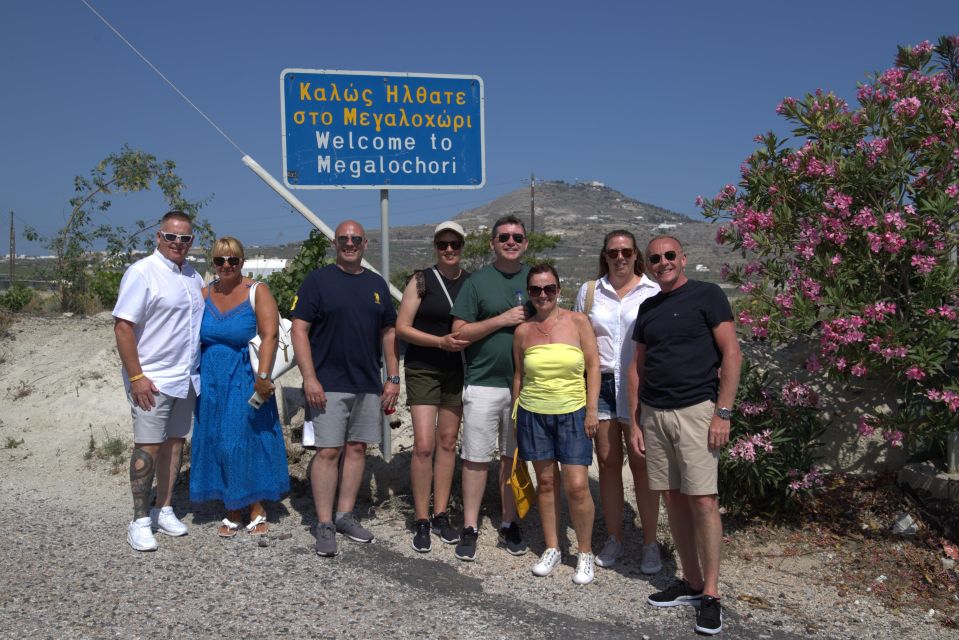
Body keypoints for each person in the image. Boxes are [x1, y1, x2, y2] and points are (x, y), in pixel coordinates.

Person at [629, 235, 741, 636]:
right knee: (673, 497)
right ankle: (691, 582)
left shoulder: (707, 295)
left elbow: (731, 353)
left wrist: (722, 414)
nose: (663, 263)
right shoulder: (648, 307)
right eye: (655, 258)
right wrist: (636, 419)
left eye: (669, 256)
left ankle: (711, 594)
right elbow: (637, 367)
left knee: (704, 500)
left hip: (697, 412)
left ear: (683, 258)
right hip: (655, 415)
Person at [291, 220, 400, 557]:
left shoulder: (376, 283)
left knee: (356, 450)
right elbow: (298, 329)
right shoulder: (318, 281)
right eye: (343, 239)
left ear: (366, 243)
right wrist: (310, 377)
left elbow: (389, 333)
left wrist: (393, 377)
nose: (349, 243)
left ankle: (344, 516)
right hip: (328, 383)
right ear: (335, 244)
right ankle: (324, 524)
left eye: (355, 239)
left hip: (367, 382)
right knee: (327, 451)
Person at [113, 210, 204, 551]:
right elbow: (123, 326)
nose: (177, 243)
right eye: (171, 237)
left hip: (185, 377)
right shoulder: (142, 272)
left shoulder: (194, 277)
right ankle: (138, 520)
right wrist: (136, 376)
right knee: (147, 446)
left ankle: (163, 508)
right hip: (152, 379)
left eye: (184, 239)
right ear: (158, 237)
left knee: (175, 443)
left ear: (191, 241)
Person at [189, 237, 290, 537]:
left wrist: (263, 376)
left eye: (233, 260)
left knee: (238, 439)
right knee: (216, 439)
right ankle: (233, 504)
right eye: (220, 260)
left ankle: (252, 506)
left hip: (244, 375)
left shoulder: (257, 291)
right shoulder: (205, 293)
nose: (226, 266)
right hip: (211, 378)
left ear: (242, 261)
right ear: (213, 263)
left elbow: (270, 335)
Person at [574, 230, 662, 573]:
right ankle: (614, 537)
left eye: (626, 251)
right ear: (605, 255)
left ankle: (650, 542)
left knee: (642, 463)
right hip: (602, 384)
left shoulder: (652, 291)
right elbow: (581, 337)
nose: (620, 257)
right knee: (608, 463)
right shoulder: (591, 291)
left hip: (640, 383)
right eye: (614, 252)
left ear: (636, 254)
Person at [449, 214, 530, 561]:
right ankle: (470, 526)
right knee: (475, 459)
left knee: (511, 460)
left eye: (516, 237)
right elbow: (459, 333)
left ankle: (510, 522)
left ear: (525, 242)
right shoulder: (477, 282)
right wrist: (504, 319)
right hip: (483, 383)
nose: (510, 242)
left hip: (526, 389)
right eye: (503, 237)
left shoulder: (538, 280)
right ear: (493, 243)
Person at [512, 265, 600, 584]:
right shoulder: (523, 331)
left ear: (559, 290)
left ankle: (585, 552)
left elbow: (593, 365)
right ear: (529, 293)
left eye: (549, 288)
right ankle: (552, 547)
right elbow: (519, 376)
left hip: (573, 412)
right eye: (536, 290)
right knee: (546, 484)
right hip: (533, 413)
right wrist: (515, 413)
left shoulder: (578, 323)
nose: (543, 295)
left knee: (577, 485)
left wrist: (592, 410)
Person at [396, 221, 471, 552]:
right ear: (435, 248)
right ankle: (422, 518)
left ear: (462, 247)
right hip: (423, 366)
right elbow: (402, 327)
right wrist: (438, 342)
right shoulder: (421, 279)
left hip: (456, 369)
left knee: (447, 441)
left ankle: (441, 513)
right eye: (443, 245)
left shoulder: (470, 282)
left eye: (455, 244)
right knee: (424, 444)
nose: (449, 250)